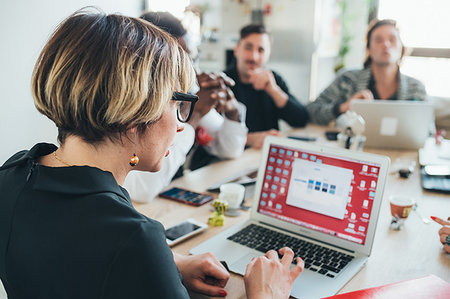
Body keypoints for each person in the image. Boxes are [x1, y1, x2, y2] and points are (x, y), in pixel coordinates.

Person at [0, 9, 304, 298]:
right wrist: (267, 295)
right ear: (135, 115)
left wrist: (168, 263)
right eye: (178, 106)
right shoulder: (138, 240)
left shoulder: (11, 176)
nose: (181, 126)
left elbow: (70, 254)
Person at [124, 12, 248, 201]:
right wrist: (194, 115)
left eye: (192, 58)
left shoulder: (187, 92)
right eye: (180, 60)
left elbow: (230, 150)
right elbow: (141, 189)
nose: (191, 70)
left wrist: (231, 112)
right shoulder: (129, 105)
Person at [307, 19, 427, 126]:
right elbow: (311, 111)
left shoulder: (416, 88)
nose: (386, 44)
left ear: (402, 48)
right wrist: (344, 107)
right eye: (378, 40)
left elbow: (428, 129)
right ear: (368, 48)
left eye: (392, 39)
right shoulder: (347, 79)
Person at [225, 24, 309, 149]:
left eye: (261, 50)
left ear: (268, 54)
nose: (254, 57)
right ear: (237, 49)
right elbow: (209, 134)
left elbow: (301, 120)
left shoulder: (274, 79)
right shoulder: (221, 82)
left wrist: (273, 89)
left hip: (265, 156)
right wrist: (251, 139)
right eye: (248, 48)